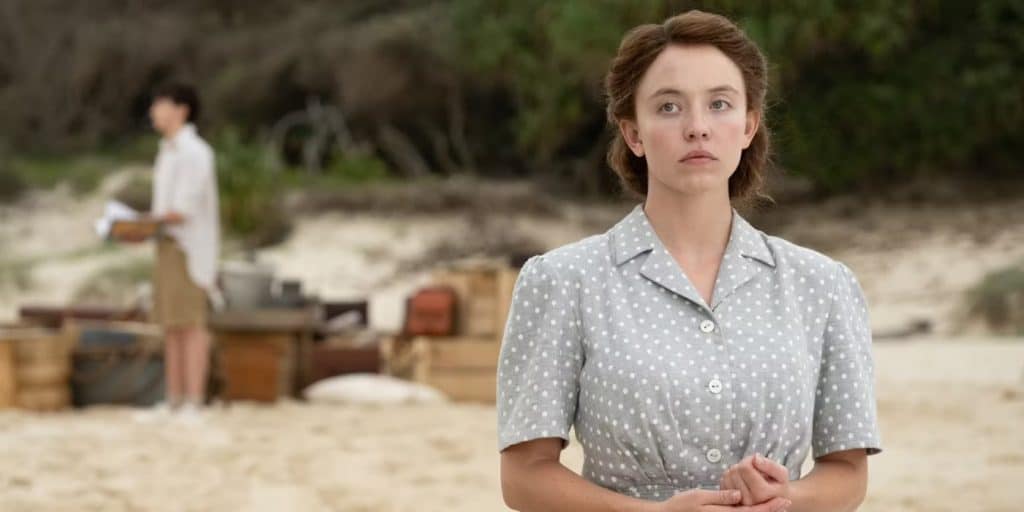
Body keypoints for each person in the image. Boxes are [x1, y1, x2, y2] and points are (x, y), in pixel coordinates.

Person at [497, 10, 882, 512]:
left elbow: (848, 473)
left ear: (748, 126)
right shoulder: (563, 281)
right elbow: (524, 478)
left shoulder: (822, 284)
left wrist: (783, 496)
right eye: (669, 107)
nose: (698, 128)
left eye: (719, 104)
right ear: (633, 134)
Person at [134, 82, 221, 425]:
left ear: (182, 110)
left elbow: (182, 209)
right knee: (170, 325)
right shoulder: (167, 151)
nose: (154, 111)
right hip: (166, 245)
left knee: (191, 325)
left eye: (161, 104)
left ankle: (194, 401)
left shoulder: (195, 152)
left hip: (189, 248)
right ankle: (174, 398)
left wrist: (141, 223)